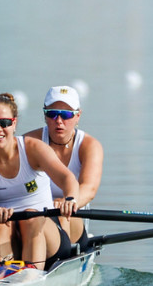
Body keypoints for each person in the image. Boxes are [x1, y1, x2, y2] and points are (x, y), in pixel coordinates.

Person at [0, 93, 80, 274]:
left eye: (5, 123)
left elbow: (67, 178)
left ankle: (30, 274)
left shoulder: (32, 148)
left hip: (45, 235)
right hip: (0, 231)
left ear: (14, 123)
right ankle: (2, 276)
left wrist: (70, 198)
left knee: (30, 216)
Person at [24, 86, 103, 246]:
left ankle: (57, 258)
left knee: (61, 214)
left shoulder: (89, 146)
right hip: (33, 215)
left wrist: (69, 201)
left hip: (71, 216)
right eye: (52, 114)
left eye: (66, 114)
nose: (59, 121)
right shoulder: (29, 142)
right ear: (45, 114)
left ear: (78, 116)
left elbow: (89, 189)